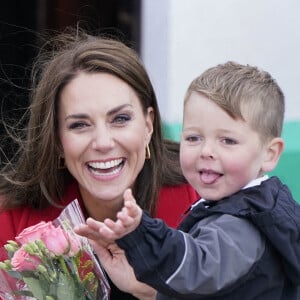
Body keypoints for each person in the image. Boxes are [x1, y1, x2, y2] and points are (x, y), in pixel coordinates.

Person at [0, 28, 199, 300]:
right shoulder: (11, 219)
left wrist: (154, 294)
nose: (103, 142)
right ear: (57, 140)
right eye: (79, 125)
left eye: (120, 119)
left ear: (149, 125)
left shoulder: (200, 201)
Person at [76, 61, 300, 299]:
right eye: (194, 138)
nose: (206, 151)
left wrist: (143, 232)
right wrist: (141, 286)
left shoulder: (243, 224)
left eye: (228, 141)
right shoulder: (247, 206)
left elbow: (197, 268)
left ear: (270, 153)